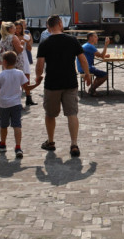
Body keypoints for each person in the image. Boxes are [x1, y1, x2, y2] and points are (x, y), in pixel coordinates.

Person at [34, 14, 91, 157]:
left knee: (50, 114)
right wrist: (87, 74)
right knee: (72, 113)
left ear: (48, 27)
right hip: (70, 82)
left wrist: (38, 76)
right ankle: (74, 144)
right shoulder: (72, 40)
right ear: (60, 24)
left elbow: (40, 65)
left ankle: (51, 141)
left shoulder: (45, 43)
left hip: (52, 84)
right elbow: (82, 59)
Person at [0, 50, 28, 158]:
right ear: (15, 61)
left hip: (4, 104)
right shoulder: (20, 73)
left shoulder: (1, 75)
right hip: (16, 104)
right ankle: (18, 147)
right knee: (17, 125)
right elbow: (26, 87)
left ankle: (3, 144)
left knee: (3, 125)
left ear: (4, 62)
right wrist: (37, 84)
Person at [80, 31, 110, 96]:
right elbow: (101, 56)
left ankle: (92, 88)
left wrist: (104, 55)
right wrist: (106, 45)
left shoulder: (87, 45)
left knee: (100, 74)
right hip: (86, 68)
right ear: (90, 38)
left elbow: (98, 55)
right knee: (105, 75)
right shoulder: (90, 46)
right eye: (95, 37)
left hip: (82, 67)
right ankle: (92, 89)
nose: (97, 38)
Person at [16, 20, 36, 107]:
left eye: (20, 28)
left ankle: (28, 98)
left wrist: (26, 42)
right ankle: (17, 101)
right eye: (16, 28)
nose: (18, 30)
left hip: (24, 57)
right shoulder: (13, 37)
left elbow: (29, 49)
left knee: (27, 78)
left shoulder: (26, 36)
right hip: (16, 58)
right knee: (17, 80)